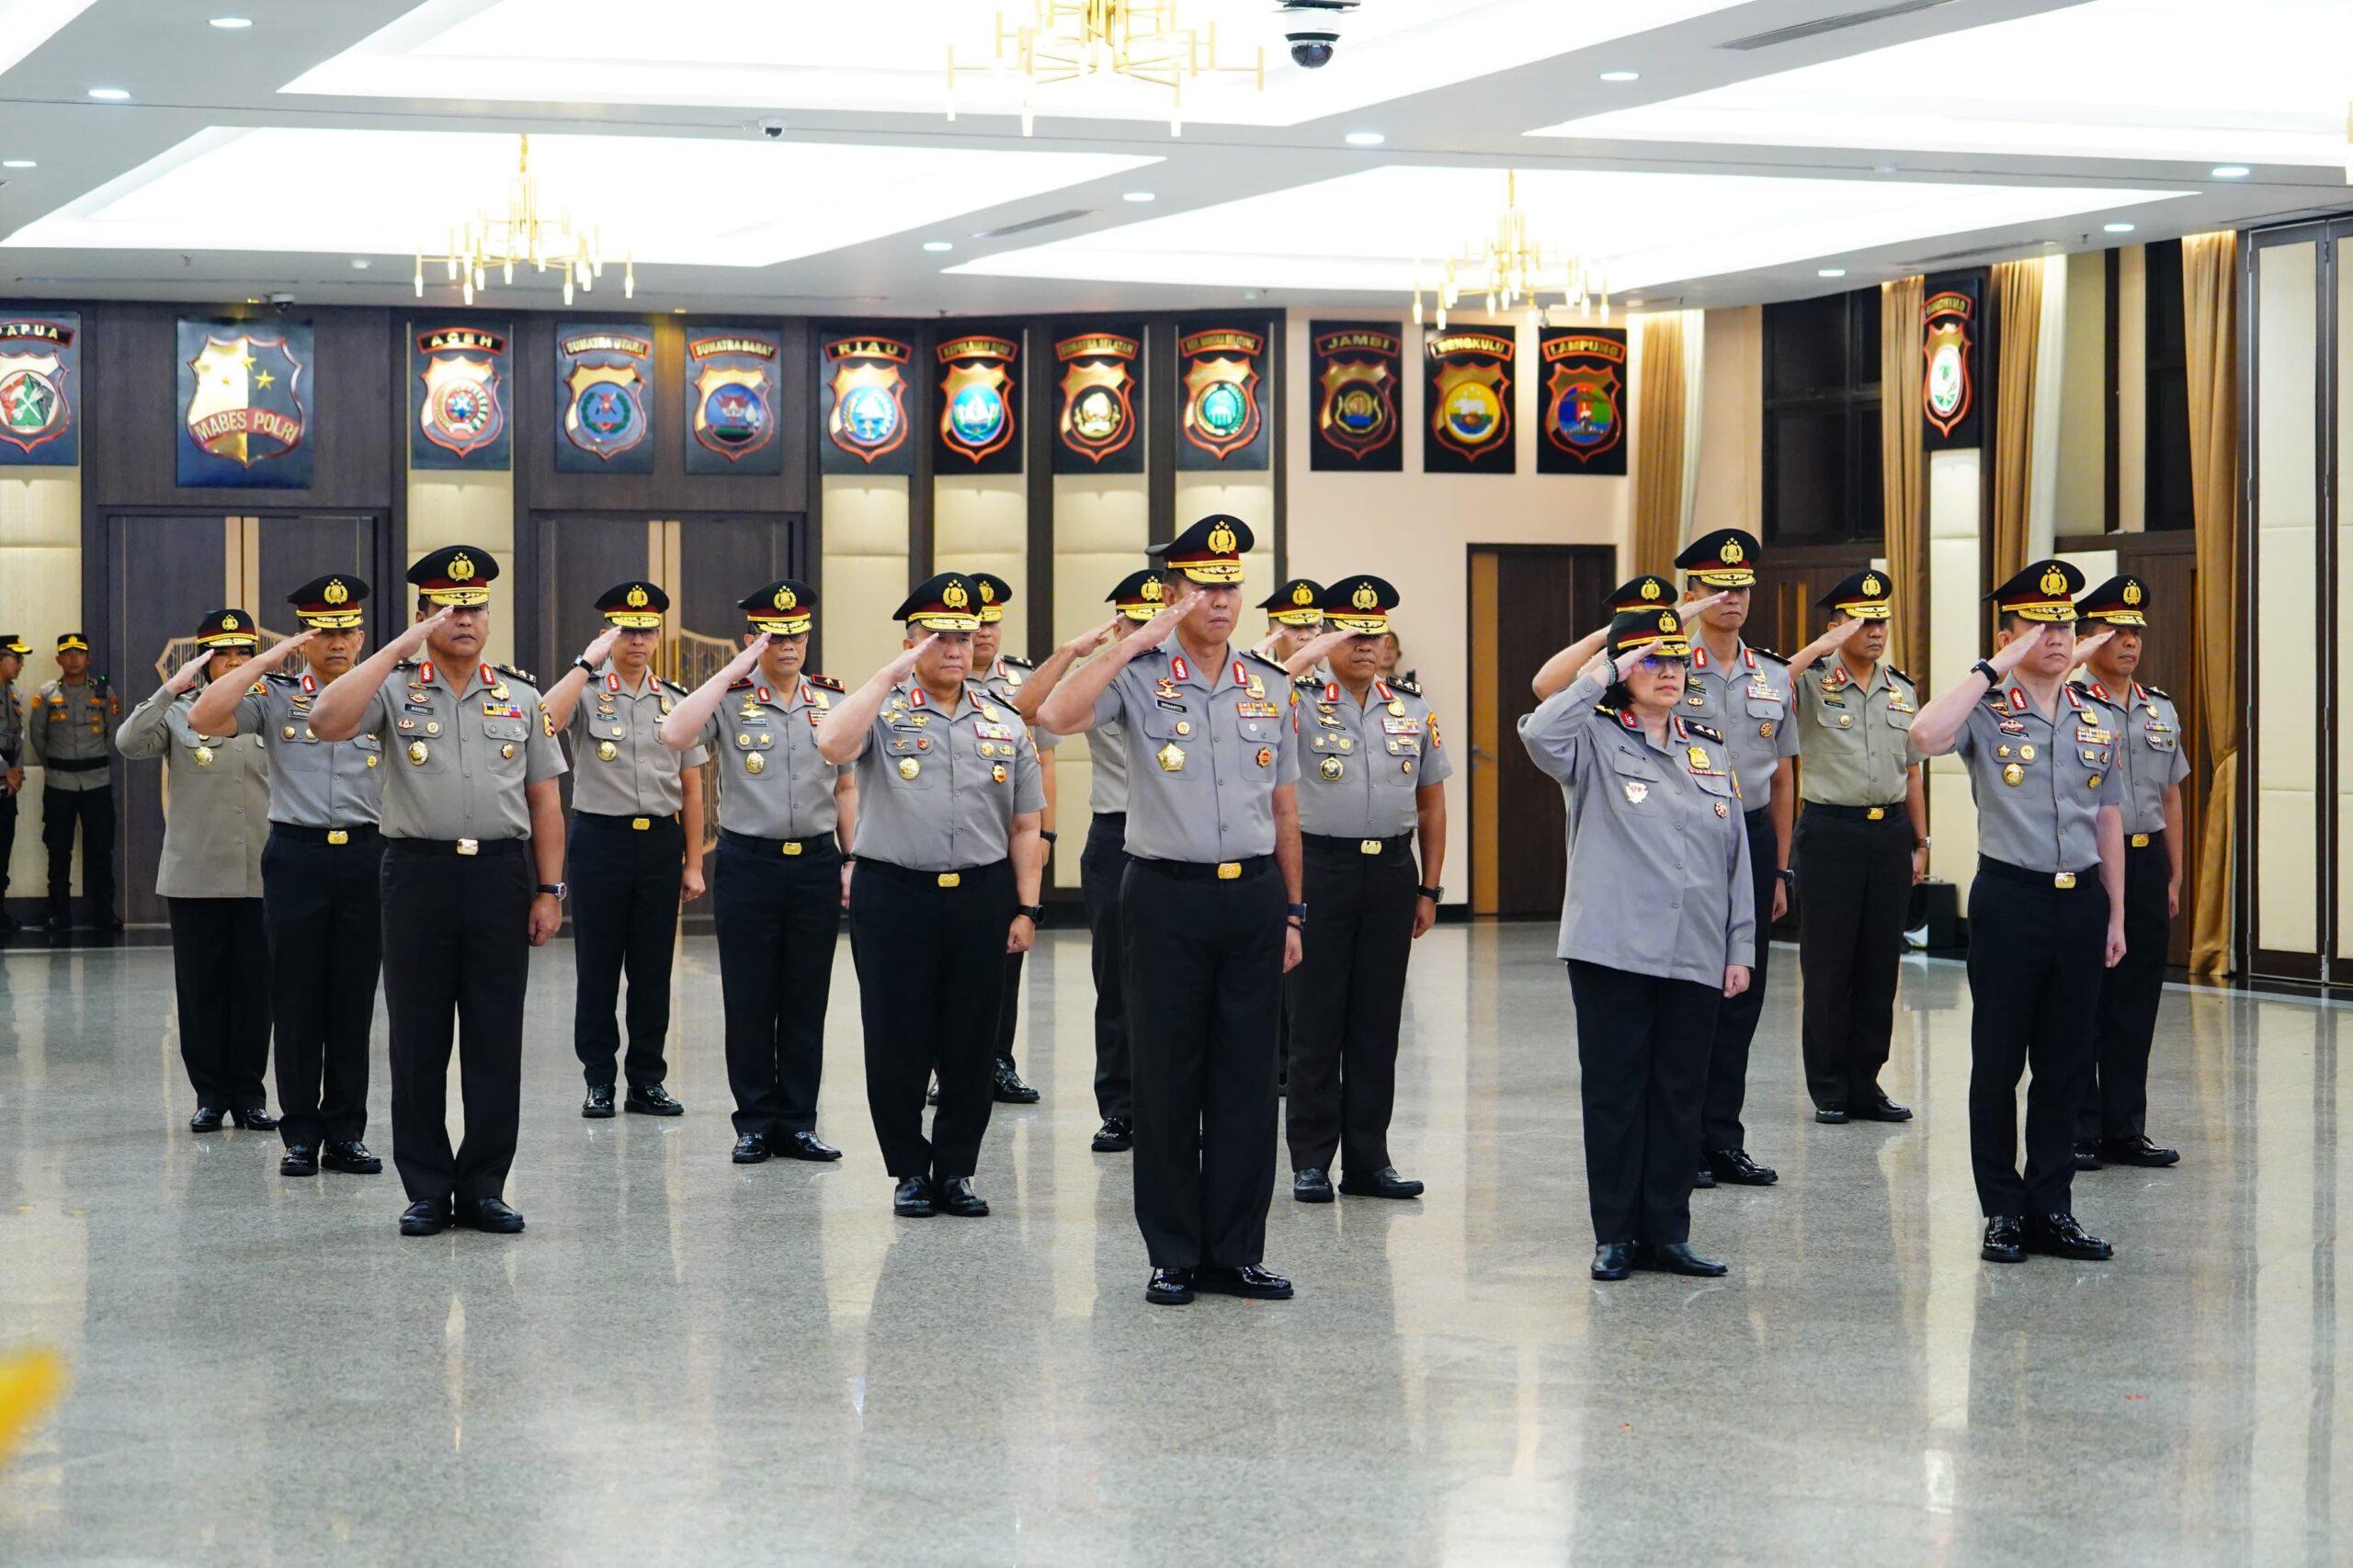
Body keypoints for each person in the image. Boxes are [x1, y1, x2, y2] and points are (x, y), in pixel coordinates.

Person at [1036, 515, 1304, 1308]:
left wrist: (1294, 912)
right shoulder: (1138, 675)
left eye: (1230, 587)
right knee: (1165, 1077)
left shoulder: (1269, 683)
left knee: (1247, 1081)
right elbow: (1053, 716)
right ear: (1175, 594)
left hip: (1253, 896)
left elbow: (1285, 809)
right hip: (1164, 895)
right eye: (1202, 587)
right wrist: (1131, 643)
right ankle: (1174, 1253)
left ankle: (1237, 1252)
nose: (1220, 601)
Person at [305, 546, 567, 1238]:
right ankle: (425, 1187)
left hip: (500, 878)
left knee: (495, 1037)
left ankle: (484, 1187)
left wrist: (549, 888)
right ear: (424, 616)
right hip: (416, 876)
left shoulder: (522, 696)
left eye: (476, 608)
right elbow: (324, 721)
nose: (465, 620)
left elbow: (545, 802)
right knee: (418, 1038)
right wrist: (398, 648)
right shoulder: (391, 688)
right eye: (449, 610)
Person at [1519, 605, 1753, 1280]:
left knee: (1680, 1097)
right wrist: (1603, 670)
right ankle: (1616, 1235)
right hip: (1613, 950)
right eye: (1651, 660)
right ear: (1623, 670)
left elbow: (1735, 854)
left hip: (1695, 947)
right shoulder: (1591, 737)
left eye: (1675, 659)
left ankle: (1668, 1233)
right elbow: (1538, 732)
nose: (1668, 671)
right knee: (1615, 1095)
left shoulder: (1708, 748)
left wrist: (1739, 947)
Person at [1907, 559, 2124, 1265]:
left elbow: (2108, 819)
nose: (2056, 637)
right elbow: (1923, 737)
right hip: (2010, 901)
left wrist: (2116, 914)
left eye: (2064, 624)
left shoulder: (2096, 716)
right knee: (1998, 1063)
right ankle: (2002, 1210)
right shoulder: (1985, 709)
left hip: (2081, 901)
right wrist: (1993, 667)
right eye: (2037, 625)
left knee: (2066, 1065)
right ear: (2008, 634)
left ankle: (2052, 1208)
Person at [814, 573, 1045, 1220]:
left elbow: (1026, 824)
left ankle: (956, 1171)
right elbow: (831, 743)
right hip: (894, 894)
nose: (954, 648)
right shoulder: (879, 710)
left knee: (971, 1041)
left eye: (963, 637)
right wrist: (888, 677)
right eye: (938, 637)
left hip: (981, 895)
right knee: (898, 1038)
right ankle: (909, 1171)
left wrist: (1027, 907)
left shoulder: (1004, 719)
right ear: (910, 642)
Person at [188, 575, 389, 1178]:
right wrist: (264, 661)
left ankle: (346, 1133)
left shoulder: (383, 694)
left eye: (347, 631)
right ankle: (300, 1134)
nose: (337, 642)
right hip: (296, 858)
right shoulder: (275, 695)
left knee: (352, 1001)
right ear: (304, 639)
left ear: (361, 638)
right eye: (323, 632)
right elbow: (204, 716)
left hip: (366, 855)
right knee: (296, 999)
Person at [659, 578, 856, 1165]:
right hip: (749, 865)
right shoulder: (730, 696)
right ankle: (753, 1122)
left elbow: (846, 788)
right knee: (748, 998)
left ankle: (798, 1122)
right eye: (774, 637)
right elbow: (675, 733)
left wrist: (851, 858)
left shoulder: (832, 699)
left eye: (796, 636)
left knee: (806, 998)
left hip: (816, 863)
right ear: (753, 639)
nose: (788, 646)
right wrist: (732, 669)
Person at [1284, 574, 1449, 1203]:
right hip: (1319, 868)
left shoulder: (1412, 708)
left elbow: (1432, 803)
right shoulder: (1297, 701)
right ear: (1326, 638)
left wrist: (1430, 887)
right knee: (1315, 1018)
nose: (1363, 645)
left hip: (1390, 873)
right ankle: (1310, 1159)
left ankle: (1368, 1160)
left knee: (1378, 1021)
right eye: (1349, 634)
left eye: (1372, 635)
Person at [980, 574, 1145, 1152]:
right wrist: (1074, 652)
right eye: (1135, 621)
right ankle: (1121, 1109)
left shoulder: (1206, 680)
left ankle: (1182, 1109)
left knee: (1185, 986)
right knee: (1115, 984)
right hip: (1118, 837)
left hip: (1191, 847)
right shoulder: (1102, 679)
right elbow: (1025, 711)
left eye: (1157, 618)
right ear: (1118, 627)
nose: (1147, 631)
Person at [540, 580, 705, 1119]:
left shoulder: (675, 700)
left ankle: (647, 1080)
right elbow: (544, 721)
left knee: (653, 971)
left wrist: (694, 861)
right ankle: (598, 1080)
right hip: (600, 842)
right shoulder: (586, 691)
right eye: (627, 630)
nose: (637, 640)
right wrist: (584, 663)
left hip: (659, 843)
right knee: (598, 968)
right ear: (608, 635)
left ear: (657, 636)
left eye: (646, 630)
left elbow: (692, 788)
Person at [1669, 528, 1798, 1188]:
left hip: (1751, 836)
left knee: (1743, 995)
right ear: (1691, 592)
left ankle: (1723, 1138)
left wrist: (1779, 868)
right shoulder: (1667, 663)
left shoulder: (1772, 674)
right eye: (1717, 586)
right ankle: (1682, 1141)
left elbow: (1782, 775)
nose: (1732, 597)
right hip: (1686, 837)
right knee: (1691, 992)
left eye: (1742, 586)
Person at [116, 609, 274, 1133]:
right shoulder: (181, 711)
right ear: (204, 663)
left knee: (256, 992)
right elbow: (128, 743)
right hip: (196, 873)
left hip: (261, 873)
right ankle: (209, 1095)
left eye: (243, 653)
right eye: (222, 654)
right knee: (201, 990)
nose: (234, 662)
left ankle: (249, 1095)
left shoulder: (273, 709)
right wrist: (168, 691)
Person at [1779, 572, 1927, 1124]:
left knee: (1879, 966)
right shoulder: (1810, 680)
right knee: (1828, 965)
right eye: (1862, 621)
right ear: (1838, 626)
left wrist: (1921, 841)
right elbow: (1767, 686)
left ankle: (1867, 1082)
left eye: (1881, 620)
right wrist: (1820, 647)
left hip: (1888, 835)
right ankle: (1829, 1087)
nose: (1876, 630)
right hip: (1829, 834)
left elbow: (1912, 772)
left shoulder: (1902, 688)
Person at [2069, 575, 2188, 1172]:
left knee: (2136, 1002)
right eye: (2116, 631)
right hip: (2090, 863)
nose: (2130, 642)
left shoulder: (2158, 708)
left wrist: (2174, 875)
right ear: (2089, 638)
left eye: (2136, 631)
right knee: (2084, 999)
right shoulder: (2069, 704)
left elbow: (2171, 796)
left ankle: (2124, 1128)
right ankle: (2080, 1128)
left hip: (2146, 862)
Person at [969, 573, 1053, 1105]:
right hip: (955, 845)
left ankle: (999, 1060)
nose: (983, 632)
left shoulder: (1024, 682)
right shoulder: (933, 677)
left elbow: (1046, 761)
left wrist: (1047, 833)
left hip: (1013, 839)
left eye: (992, 622)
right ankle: (949, 1066)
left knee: (1009, 953)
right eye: (974, 623)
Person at [28, 631, 120, 939]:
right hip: (60, 782)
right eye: (67, 653)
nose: (73, 659)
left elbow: (113, 733)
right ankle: (59, 913)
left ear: (88, 658)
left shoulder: (104, 693)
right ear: (58, 659)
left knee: (101, 849)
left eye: (79, 653)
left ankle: (104, 913)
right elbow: (38, 738)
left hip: (97, 781)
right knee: (58, 849)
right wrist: (58, 763)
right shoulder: (46, 695)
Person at [0, 633, 25, 936]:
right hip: (3, 775)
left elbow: (19, 737)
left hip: (7, 785)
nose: (20, 664)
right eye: (16, 658)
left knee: (3, 849)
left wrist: (17, 771)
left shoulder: (14, 693)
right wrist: (6, 770)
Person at [1254, 578, 1324, 667]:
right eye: (1294, 628)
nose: (1305, 636)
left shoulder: (1334, 676)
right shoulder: (1258, 676)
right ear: (1271, 639)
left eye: (1311, 627)